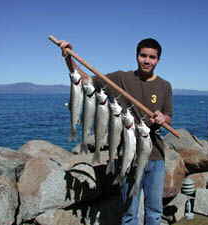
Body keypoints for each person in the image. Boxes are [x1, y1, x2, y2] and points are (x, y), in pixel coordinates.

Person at [60, 38, 173, 225]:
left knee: (154, 211)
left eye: (152, 57)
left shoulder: (165, 86)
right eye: (143, 55)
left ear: (158, 60)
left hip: (155, 156)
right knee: (129, 213)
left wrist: (162, 118)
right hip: (127, 154)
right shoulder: (121, 78)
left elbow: (168, 115)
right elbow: (85, 79)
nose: (147, 60)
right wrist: (68, 58)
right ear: (137, 56)